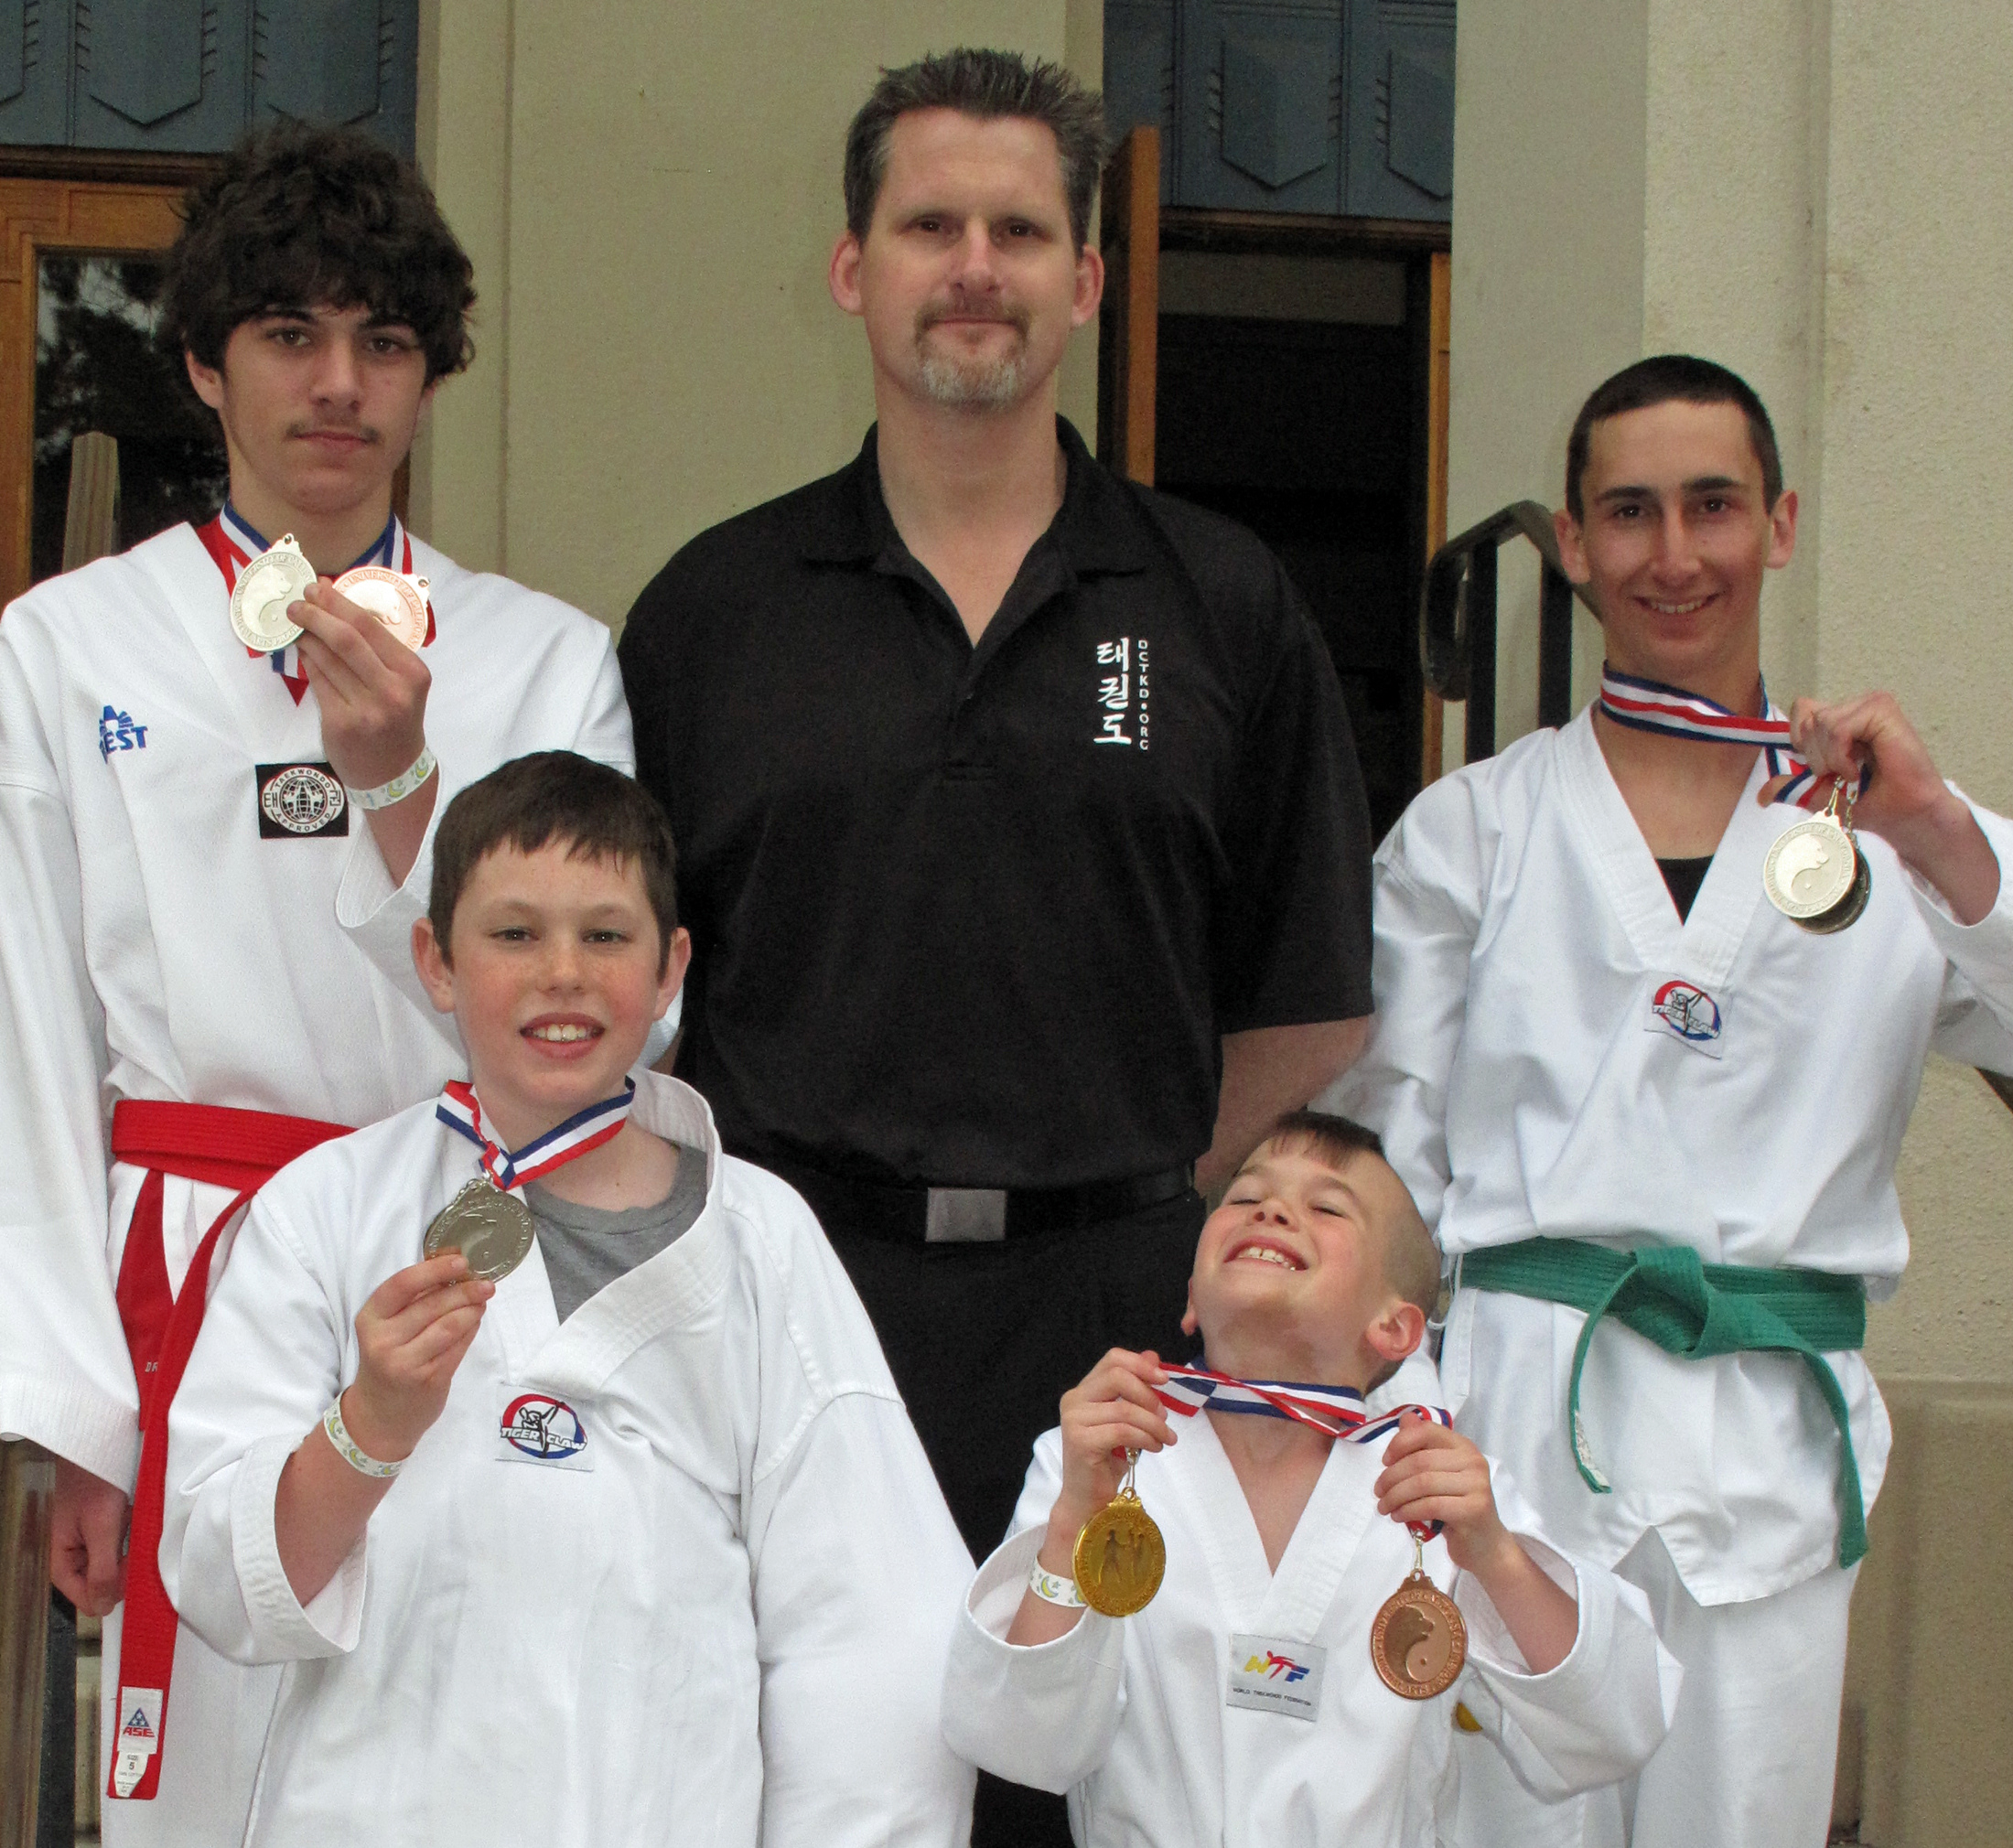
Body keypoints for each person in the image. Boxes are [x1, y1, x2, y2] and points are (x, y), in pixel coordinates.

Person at [619, 41, 1370, 1578]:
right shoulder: (716, 609)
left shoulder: (1220, 601)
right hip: (790, 1299)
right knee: (808, 1729)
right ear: (852, 269)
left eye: (1020, 231)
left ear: (1085, 280)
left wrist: (1125, 1196)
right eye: (931, 226)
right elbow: (637, 993)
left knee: (1090, 1727)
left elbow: (1308, 1002)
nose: (976, 267)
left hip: (1120, 1329)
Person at [0, 125, 631, 1843]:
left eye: (384, 341)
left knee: (467, 1732)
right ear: (207, 362)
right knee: (210, 1772)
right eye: (289, 334)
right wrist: (76, 1412)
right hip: (188, 1271)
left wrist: (402, 784)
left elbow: (591, 1029)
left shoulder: (547, 659)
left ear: (432, 376)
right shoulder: (68, 645)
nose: (339, 385)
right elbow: (32, 1043)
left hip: (456, 1252)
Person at [1328, 354, 2013, 1847]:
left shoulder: (1892, 833)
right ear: (1573, 545)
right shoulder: (1473, 832)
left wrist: (1943, 837)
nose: (1675, 554)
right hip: (1512, 1430)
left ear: (1780, 523)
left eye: (1713, 505)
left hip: (1768, 1436)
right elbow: (1383, 1164)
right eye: (1631, 512)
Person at [159, 753, 974, 1845]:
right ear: (434, 960)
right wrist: (370, 1428)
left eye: (605, 935)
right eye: (513, 933)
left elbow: (869, 1630)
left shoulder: (758, 1236)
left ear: (670, 966)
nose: (562, 973)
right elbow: (224, 1584)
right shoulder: (327, 1210)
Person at [941, 1111, 1679, 1844]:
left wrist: (1497, 1555)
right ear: (1192, 1295)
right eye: (1243, 1195)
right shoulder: (1102, 1462)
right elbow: (1020, 1745)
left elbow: (1612, 1729)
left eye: (1326, 1208)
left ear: (1395, 1328)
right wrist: (1073, 1519)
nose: (1271, 1209)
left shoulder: (1440, 1491)